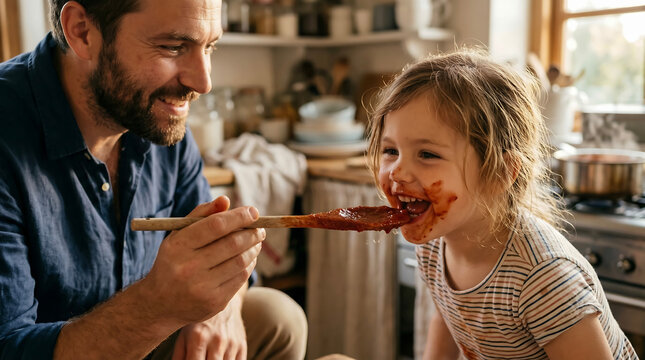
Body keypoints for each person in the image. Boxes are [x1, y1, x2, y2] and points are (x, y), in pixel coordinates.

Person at [0, 0, 307, 359]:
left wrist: (219, 309)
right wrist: (158, 306)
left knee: (278, 318)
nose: (203, 82)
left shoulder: (154, 114)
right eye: (173, 47)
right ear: (82, 31)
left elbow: (219, 258)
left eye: (209, 46)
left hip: (140, 340)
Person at [366, 49, 637, 359]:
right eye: (390, 151)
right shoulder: (433, 243)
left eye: (427, 154)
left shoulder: (541, 278)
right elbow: (450, 324)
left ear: (500, 173)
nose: (396, 171)